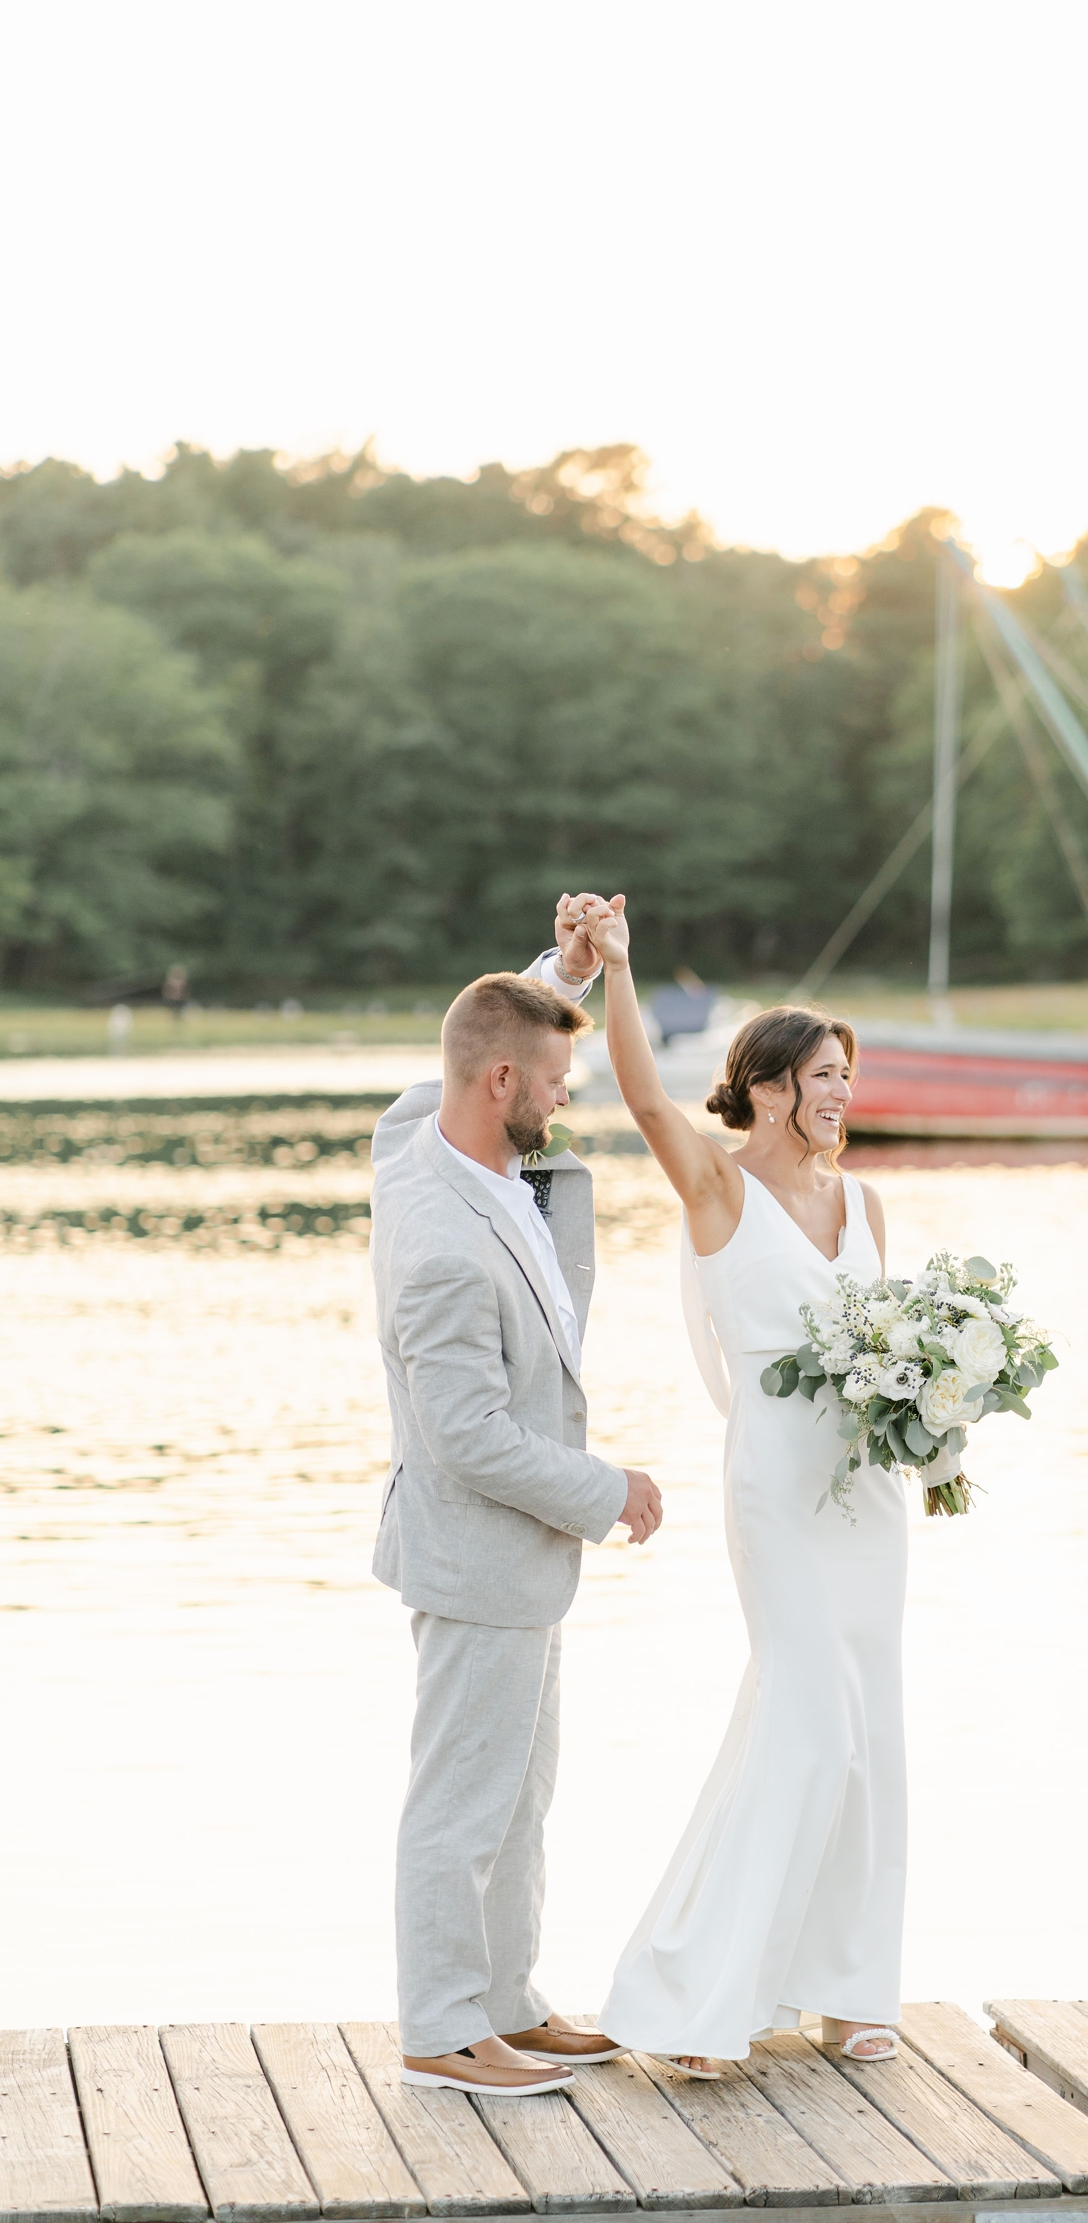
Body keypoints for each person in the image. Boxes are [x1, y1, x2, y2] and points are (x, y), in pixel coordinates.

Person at [589, 892, 906, 2077]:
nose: (840, 1094)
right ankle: (704, 1998)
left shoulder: (866, 1201)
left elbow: (892, 1340)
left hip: (870, 1497)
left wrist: (932, 1412)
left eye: (847, 1076)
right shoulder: (721, 1189)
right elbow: (637, 1095)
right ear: (768, 1087)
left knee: (870, 1727)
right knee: (814, 1725)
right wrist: (615, 968)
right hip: (775, 1483)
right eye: (823, 1075)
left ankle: (852, 1988)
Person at [370, 894, 663, 2097]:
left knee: (522, 1797)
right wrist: (608, 1489)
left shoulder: (417, 1129)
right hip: (478, 1550)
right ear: (499, 1083)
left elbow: (496, 1025)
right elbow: (467, 1439)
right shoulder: (438, 1234)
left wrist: (567, 970)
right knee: (461, 1803)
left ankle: (506, 2001)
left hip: (517, 1568)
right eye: (549, 1085)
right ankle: (442, 2030)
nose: (561, 1102)